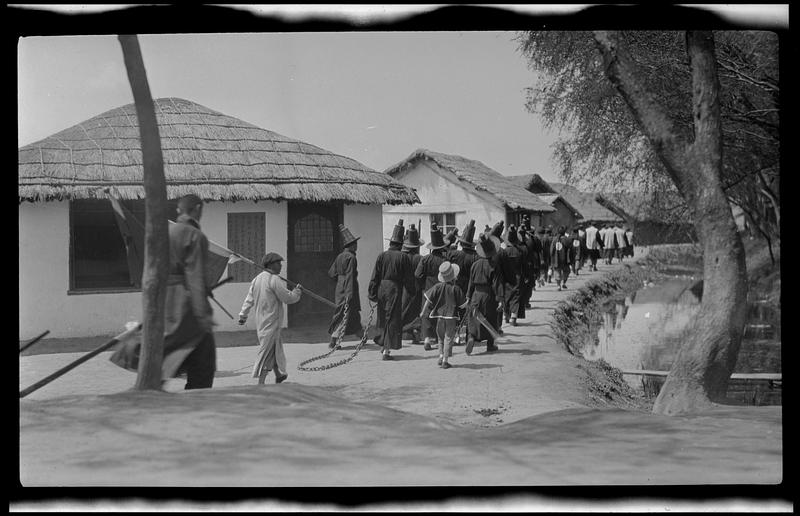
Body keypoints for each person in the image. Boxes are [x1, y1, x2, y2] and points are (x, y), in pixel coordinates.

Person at [110, 194, 218, 389]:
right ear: (198, 209)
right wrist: (203, 312)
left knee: (167, 349)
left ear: (178, 211)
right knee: (202, 358)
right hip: (186, 306)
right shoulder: (195, 236)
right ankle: (192, 398)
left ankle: (152, 387)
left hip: (163, 301)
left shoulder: (164, 233)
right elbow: (194, 276)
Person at [238, 252, 302, 384]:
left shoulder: (256, 279)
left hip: (262, 322)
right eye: (278, 263)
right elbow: (287, 298)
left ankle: (278, 375)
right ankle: (261, 382)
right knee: (267, 351)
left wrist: (243, 315)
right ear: (271, 265)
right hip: (272, 321)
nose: (280, 266)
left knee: (273, 349)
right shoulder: (274, 279)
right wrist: (297, 292)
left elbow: (248, 300)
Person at [369, 219, 416, 360]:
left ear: (391, 242)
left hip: (382, 288)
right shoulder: (403, 257)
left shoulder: (381, 256)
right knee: (393, 318)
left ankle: (384, 343)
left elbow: (375, 275)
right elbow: (409, 278)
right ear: (401, 244)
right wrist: (411, 291)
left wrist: (372, 293)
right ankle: (386, 351)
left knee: (383, 317)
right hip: (394, 289)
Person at [420, 261, 466, 369]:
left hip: (439, 316)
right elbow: (463, 305)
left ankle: (440, 356)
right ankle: (445, 360)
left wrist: (423, 312)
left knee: (440, 337)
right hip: (451, 317)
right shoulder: (456, 288)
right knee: (448, 337)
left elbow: (428, 300)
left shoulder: (437, 286)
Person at [326, 224, 362, 349]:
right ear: (351, 245)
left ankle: (362, 336)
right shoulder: (351, 257)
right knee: (344, 314)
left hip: (340, 288)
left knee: (353, 314)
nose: (356, 245)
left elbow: (331, 273)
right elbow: (350, 276)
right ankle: (334, 339)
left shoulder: (339, 256)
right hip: (349, 288)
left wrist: (340, 282)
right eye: (355, 243)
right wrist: (349, 293)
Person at [465, 233, 501, 355]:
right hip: (488, 295)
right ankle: (490, 345)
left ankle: (471, 337)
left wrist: (468, 296)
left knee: (473, 318)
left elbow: (470, 283)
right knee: (489, 318)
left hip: (476, 294)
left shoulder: (475, 265)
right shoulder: (494, 266)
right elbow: (496, 284)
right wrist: (499, 299)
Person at [415, 222, 449, 351]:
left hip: (428, 289)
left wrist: (423, 284)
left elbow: (417, 274)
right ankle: (439, 338)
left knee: (426, 314)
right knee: (440, 314)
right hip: (441, 289)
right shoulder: (445, 260)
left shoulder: (425, 259)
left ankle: (427, 339)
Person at [445, 220, 478, 346]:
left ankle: (454, 336)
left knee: (454, 312)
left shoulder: (453, 254)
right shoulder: (475, 257)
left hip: (455, 285)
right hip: (469, 287)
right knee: (467, 313)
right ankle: (466, 336)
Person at [400, 224, 424, 344]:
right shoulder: (420, 258)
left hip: (404, 287)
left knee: (404, 309)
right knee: (415, 310)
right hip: (417, 287)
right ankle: (414, 331)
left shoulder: (402, 257)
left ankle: (404, 331)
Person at [497, 224, 525, 326]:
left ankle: (506, 315)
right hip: (517, 276)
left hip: (506, 277)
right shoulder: (520, 251)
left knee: (506, 296)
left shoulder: (504, 252)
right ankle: (513, 316)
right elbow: (524, 265)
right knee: (516, 297)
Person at [550, 226, 574, 291]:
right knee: (567, 271)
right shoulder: (567, 239)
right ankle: (564, 282)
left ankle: (558, 286)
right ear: (564, 232)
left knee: (557, 272)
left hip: (556, 259)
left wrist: (552, 258)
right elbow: (571, 250)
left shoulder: (555, 239)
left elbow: (551, 250)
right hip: (565, 260)